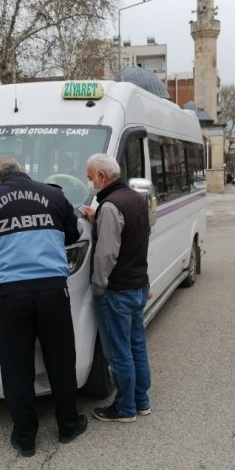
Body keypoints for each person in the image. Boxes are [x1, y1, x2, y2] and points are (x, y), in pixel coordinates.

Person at [0, 156, 87, 457]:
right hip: (52, 290)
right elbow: (73, 234)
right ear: (24, 171)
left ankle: (25, 438)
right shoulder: (54, 194)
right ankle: (68, 426)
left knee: (16, 367)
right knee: (61, 360)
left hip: (11, 294)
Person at [83, 153, 152, 423]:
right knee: (137, 346)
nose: (89, 182)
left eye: (90, 178)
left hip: (117, 291)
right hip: (138, 286)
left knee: (119, 352)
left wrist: (98, 286)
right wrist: (98, 216)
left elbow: (106, 255)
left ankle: (125, 408)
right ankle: (141, 401)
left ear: (101, 177)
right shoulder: (134, 199)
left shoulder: (111, 207)